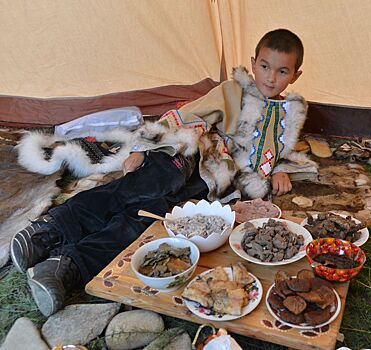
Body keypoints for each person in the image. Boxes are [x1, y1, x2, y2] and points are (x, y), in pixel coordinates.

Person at [10, 28, 316, 316]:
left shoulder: (289, 116)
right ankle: (51, 229)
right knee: (145, 187)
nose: (271, 77)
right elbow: (187, 114)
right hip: (189, 151)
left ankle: (68, 264)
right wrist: (142, 147)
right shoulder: (233, 90)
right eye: (264, 66)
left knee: (155, 217)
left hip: (214, 179)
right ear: (253, 63)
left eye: (282, 71)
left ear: (296, 75)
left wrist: (280, 168)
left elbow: (274, 152)